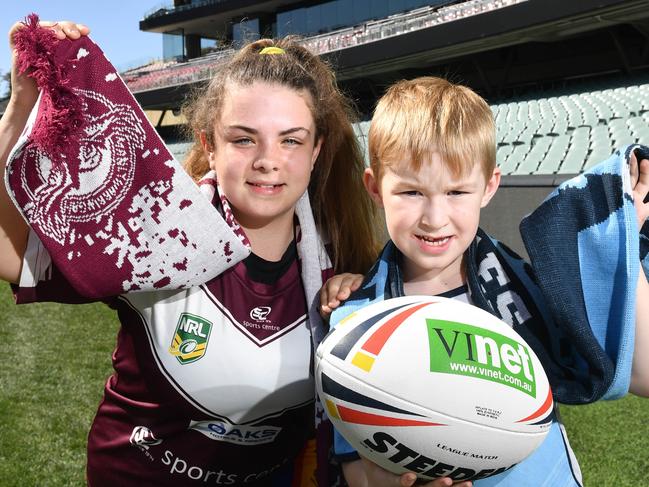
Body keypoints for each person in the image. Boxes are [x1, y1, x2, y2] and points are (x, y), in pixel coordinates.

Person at [0, 18, 396, 486]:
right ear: (209, 145)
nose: (268, 159)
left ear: (315, 151)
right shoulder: (158, 230)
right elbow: (10, 255)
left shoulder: (344, 265)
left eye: (291, 140)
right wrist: (21, 105)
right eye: (244, 138)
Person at [321, 76, 649, 486]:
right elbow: (356, 468)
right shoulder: (354, 323)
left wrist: (619, 245)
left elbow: (644, 375)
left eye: (457, 191)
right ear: (374, 188)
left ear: (489, 186)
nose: (434, 217)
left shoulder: (529, 286)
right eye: (410, 192)